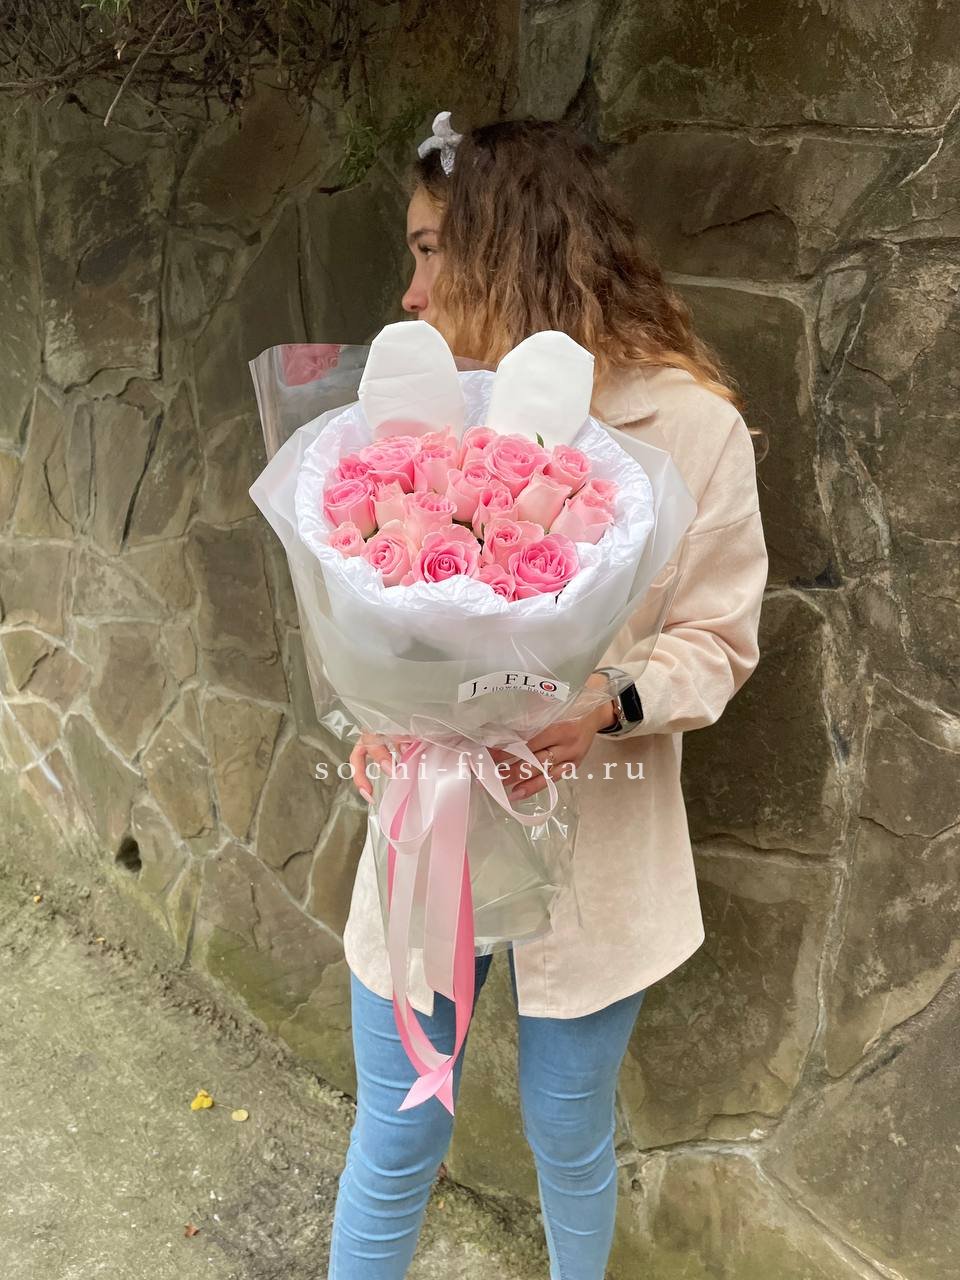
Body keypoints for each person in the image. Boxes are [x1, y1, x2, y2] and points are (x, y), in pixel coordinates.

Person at [327, 114, 769, 1280]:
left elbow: (718, 639)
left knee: (569, 1131)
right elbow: (371, 600)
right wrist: (378, 715)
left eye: (431, 250)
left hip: (600, 824)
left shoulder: (693, 426)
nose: (410, 290)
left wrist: (607, 700)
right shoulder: (418, 415)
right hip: (432, 817)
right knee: (399, 1129)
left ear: (508, 248)